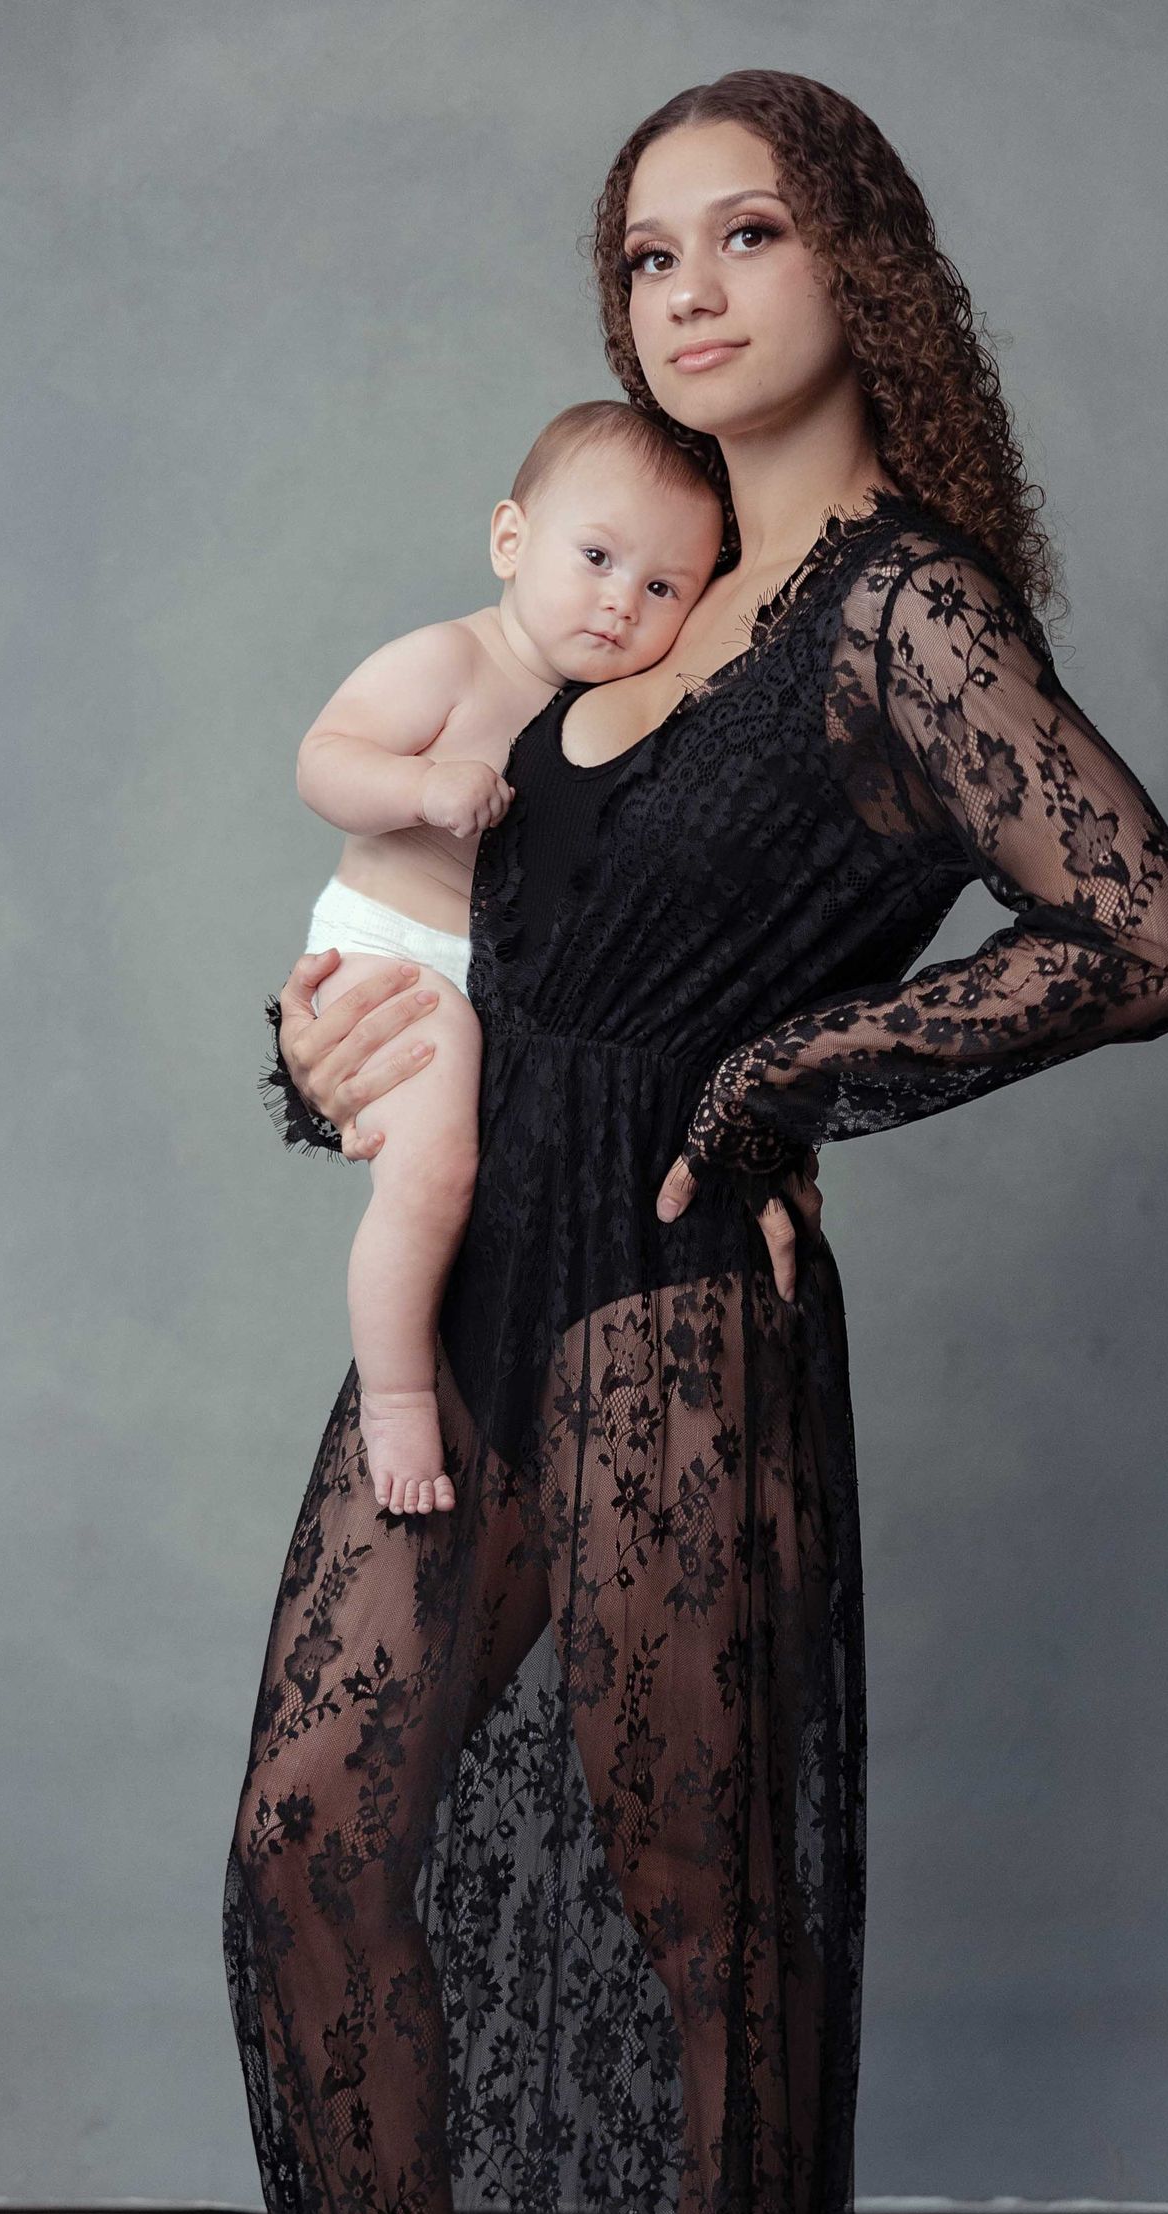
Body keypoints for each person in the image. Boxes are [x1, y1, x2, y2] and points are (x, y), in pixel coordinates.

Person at [115, 65, 1168, 2214]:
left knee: (690, 1891)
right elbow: (493, 926)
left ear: (865, 262)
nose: (689, 292)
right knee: (307, 1839)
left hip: (673, 1316)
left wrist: (792, 1074)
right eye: (645, 254)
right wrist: (330, 1043)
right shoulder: (645, 570)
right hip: (484, 1260)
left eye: (747, 234)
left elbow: (1145, 931)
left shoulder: (900, 610)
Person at [294, 404, 726, 1514]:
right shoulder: (453, 659)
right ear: (510, 540)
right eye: (597, 559)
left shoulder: (614, 710)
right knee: (435, 1174)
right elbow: (323, 759)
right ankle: (396, 1397)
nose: (622, 602)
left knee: (495, 1191)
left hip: (494, 985)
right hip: (393, 954)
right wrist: (421, 786)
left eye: (664, 586)